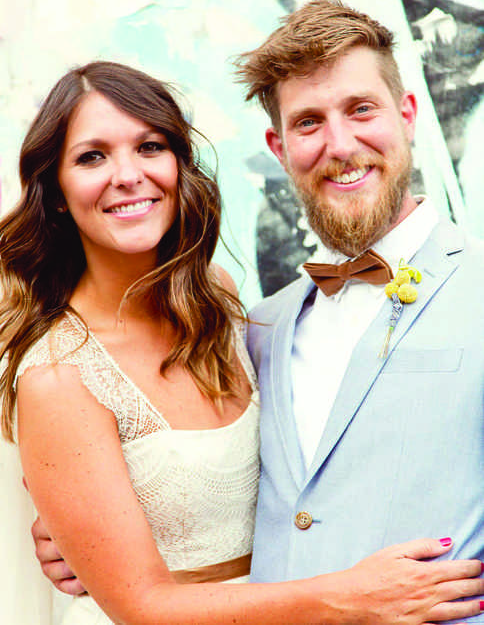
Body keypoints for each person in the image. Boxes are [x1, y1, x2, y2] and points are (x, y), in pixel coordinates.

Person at [8, 60, 483, 625]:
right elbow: (141, 603)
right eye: (92, 157)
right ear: (57, 193)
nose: (127, 174)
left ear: (180, 168)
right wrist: (351, 597)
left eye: (150, 147)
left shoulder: (221, 302)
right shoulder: (58, 376)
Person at [233, 0, 484, 606]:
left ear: (407, 115)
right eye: (309, 121)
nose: (340, 144)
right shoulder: (259, 326)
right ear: (279, 146)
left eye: (361, 109)